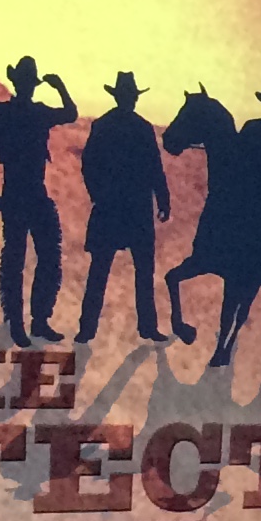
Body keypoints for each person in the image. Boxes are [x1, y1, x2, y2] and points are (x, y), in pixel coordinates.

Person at [0, 56, 77, 345]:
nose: (28, 87)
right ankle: (19, 323)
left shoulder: (26, 113)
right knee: (17, 259)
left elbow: (70, 114)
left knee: (45, 256)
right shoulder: (15, 114)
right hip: (19, 193)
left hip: (31, 193)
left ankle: (37, 320)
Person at [75, 72, 175, 343]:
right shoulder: (142, 128)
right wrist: (163, 199)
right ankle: (145, 327)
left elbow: (88, 164)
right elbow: (154, 168)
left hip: (111, 207)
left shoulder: (103, 125)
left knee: (101, 270)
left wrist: (98, 194)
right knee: (141, 270)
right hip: (135, 208)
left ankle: (87, 329)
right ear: (131, 98)